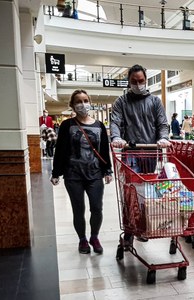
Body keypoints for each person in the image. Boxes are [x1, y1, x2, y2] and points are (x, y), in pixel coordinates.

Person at [109, 64, 170, 243]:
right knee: (131, 191)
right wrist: (116, 137)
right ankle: (130, 230)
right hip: (131, 152)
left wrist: (163, 138)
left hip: (151, 152)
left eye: (141, 81)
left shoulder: (155, 102)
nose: (138, 84)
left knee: (147, 192)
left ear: (146, 80)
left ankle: (143, 225)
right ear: (128, 82)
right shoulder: (121, 102)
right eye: (134, 81)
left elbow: (162, 123)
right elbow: (115, 122)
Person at [51, 89, 113, 255]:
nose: (83, 104)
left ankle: (94, 237)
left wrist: (108, 170)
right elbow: (60, 150)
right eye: (78, 101)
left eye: (85, 100)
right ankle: (82, 240)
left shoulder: (99, 126)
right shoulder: (67, 125)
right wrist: (56, 172)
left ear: (90, 102)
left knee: (97, 208)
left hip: (94, 174)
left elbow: (104, 151)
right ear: (72, 105)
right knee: (78, 209)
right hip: (73, 175)